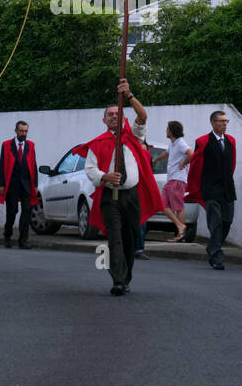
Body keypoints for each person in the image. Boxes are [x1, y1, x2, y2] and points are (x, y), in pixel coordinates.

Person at [83, 79, 162, 296]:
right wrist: (105, 176)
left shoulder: (134, 136)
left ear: (124, 117)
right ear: (104, 120)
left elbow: (143, 115)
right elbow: (90, 170)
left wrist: (128, 94)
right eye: (110, 115)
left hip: (131, 196)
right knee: (115, 237)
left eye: (118, 114)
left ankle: (126, 276)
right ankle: (117, 279)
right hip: (110, 197)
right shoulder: (97, 143)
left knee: (129, 238)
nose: (114, 117)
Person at [184, 110, 237, 270]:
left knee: (227, 221)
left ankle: (213, 247)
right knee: (216, 223)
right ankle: (216, 257)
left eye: (226, 121)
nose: (224, 124)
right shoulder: (203, 141)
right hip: (211, 189)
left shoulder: (231, 141)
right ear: (213, 123)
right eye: (221, 121)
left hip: (227, 188)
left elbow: (232, 163)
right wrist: (196, 186)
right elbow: (196, 165)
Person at [0, 120, 38, 250]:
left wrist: (35, 184)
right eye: (21, 131)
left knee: (26, 213)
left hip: (26, 184)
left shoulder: (31, 145)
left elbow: (34, 165)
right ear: (16, 131)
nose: (24, 133)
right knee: (12, 212)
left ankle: (23, 240)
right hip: (11, 185)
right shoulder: (7, 145)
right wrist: (1, 184)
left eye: (25, 131)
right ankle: (7, 237)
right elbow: (2, 165)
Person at [153, 122, 193, 240]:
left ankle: (181, 234)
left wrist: (183, 163)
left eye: (167, 129)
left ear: (171, 131)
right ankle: (180, 227)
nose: (166, 131)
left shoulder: (180, 143)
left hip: (177, 179)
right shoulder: (173, 143)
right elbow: (166, 153)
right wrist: (156, 160)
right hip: (172, 179)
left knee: (178, 207)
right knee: (163, 205)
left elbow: (191, 153)